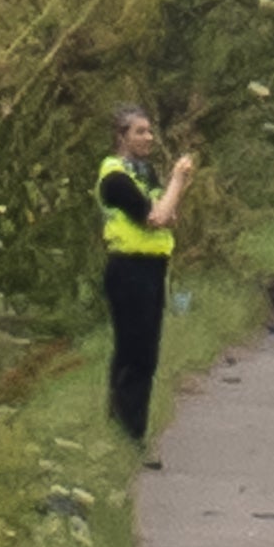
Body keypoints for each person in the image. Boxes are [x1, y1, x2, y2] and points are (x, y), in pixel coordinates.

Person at [94, 103, 196, 460]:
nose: (149, 138)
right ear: (121, 136)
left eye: (150, 131)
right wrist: (179, 180)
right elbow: (157, 217)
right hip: (128, 268)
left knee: (144, 353)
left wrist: (167, 203)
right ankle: (128, 434)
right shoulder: (115, 178)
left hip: (152, 268)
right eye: (140, 132)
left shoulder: (143, 172)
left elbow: (170, 214)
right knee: (135, 353)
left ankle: (126, 430)